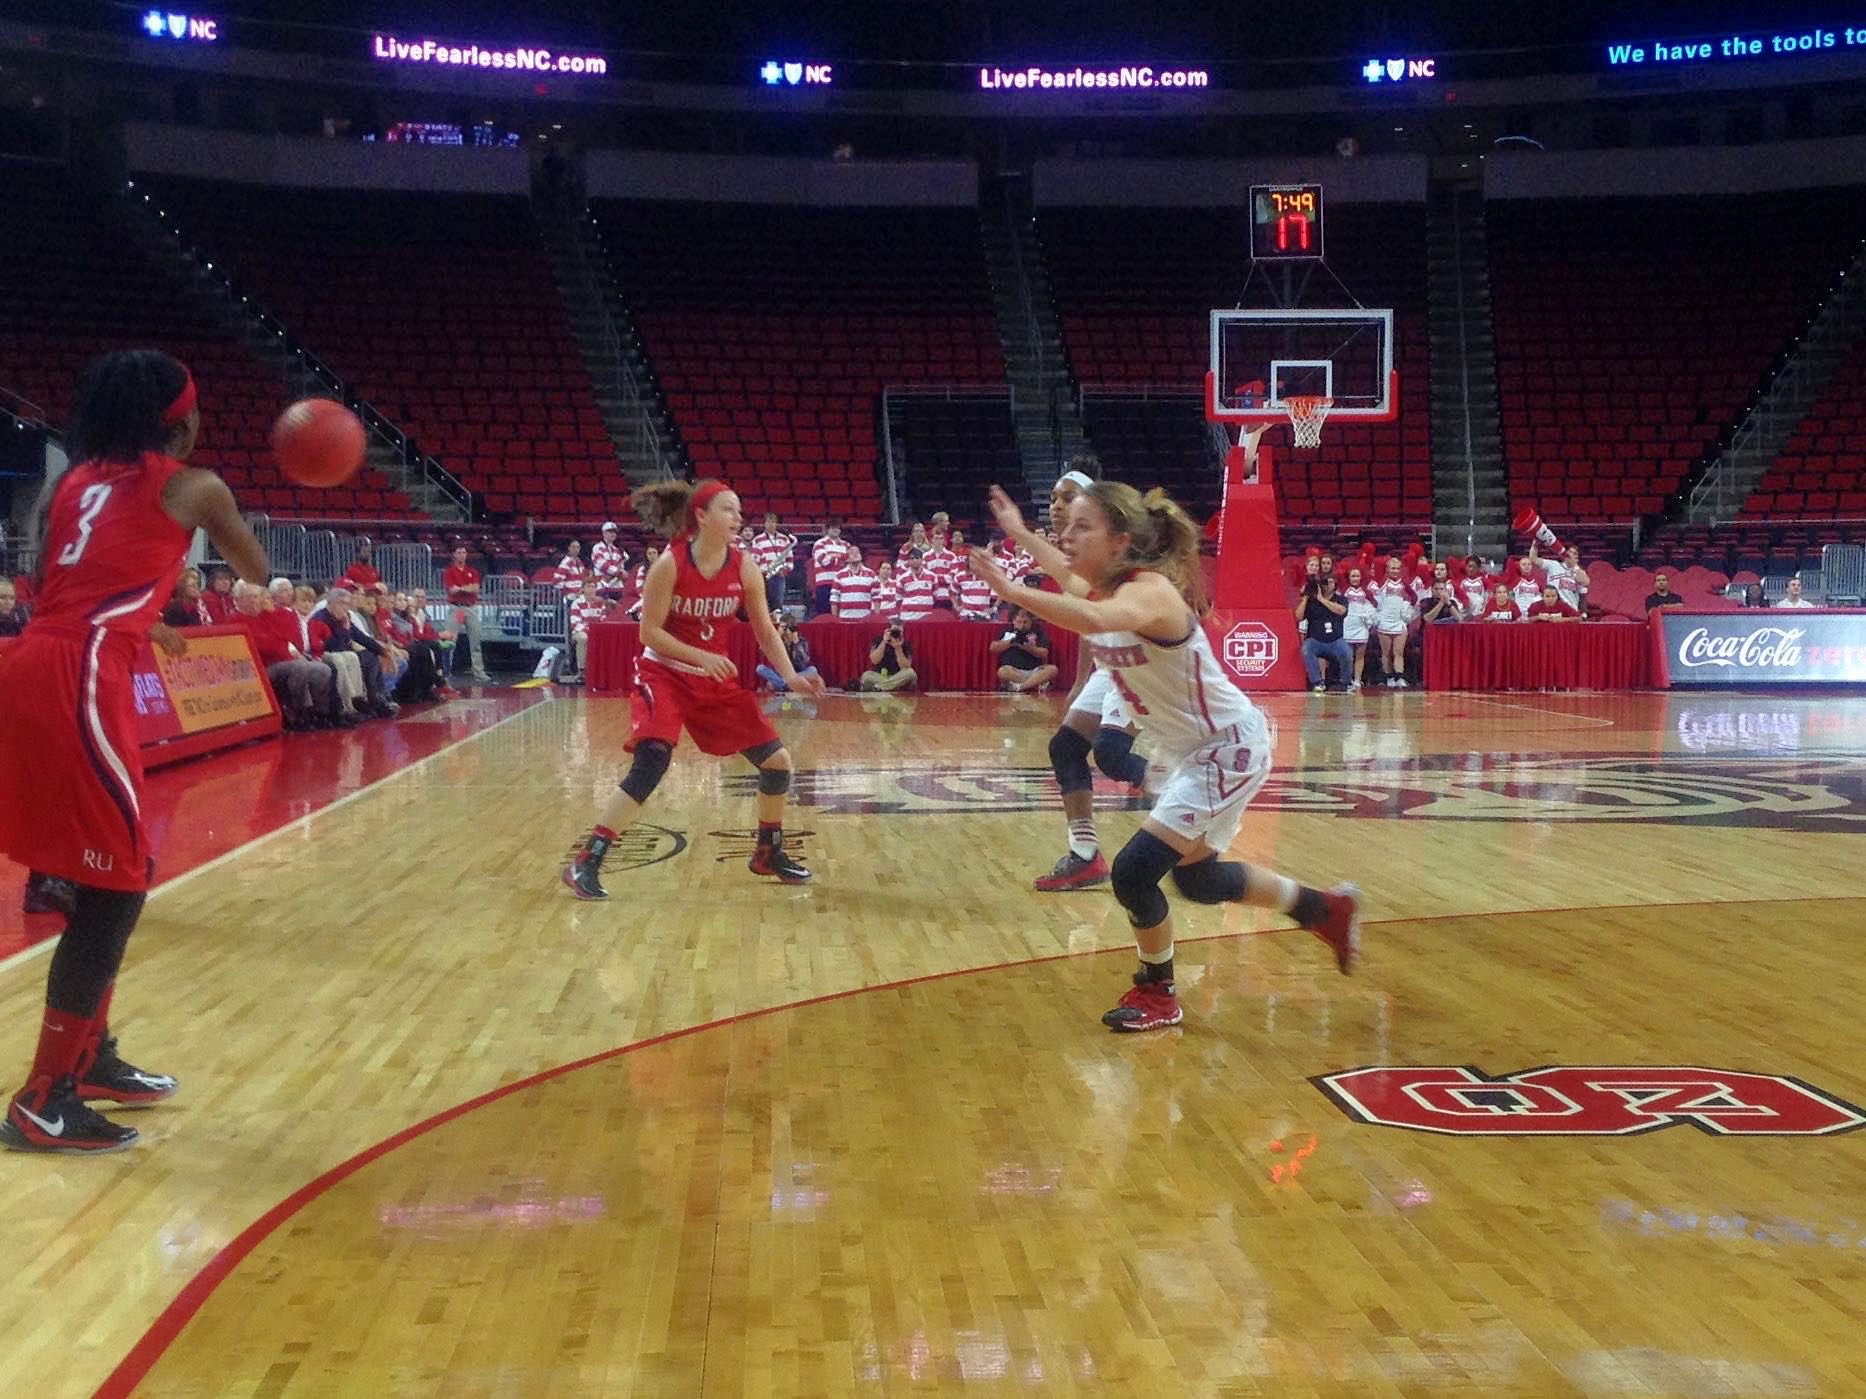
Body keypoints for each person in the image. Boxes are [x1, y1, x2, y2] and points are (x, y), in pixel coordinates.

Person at [967, 478, 1360, 1031]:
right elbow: (1064, 573)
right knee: (1198, 881)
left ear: (1121, 541)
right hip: (1195, 751)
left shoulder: (1149, 593)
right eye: (1066, 526)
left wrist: (1011, 590)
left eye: (1082, 527)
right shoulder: (1106, 586)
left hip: (1225, 749)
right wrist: (1018, 533)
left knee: (1133, 873)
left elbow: (1093, 619)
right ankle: (1324, 909)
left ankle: (1158, 992)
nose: (1066, 536)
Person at [0, 349, 269, 1153]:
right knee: (116, 887)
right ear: (182, 421)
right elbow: (254, 568)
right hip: (80, 678)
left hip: (36, 659)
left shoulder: (74, 481)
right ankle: (44, 1098)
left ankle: (90, 1060)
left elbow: (66, 585)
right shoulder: (196, 486)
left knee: (102, 875)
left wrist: (140, 618)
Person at [562, 479, 827, 899]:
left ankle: (768, 852)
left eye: (739, 510)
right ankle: (587, 861)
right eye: (728, 509)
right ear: (701, 516)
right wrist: (700, 656)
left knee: (777, 762)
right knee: (652, 760)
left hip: (711, 681)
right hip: (663, 673)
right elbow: (649, 633)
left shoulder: (744, 566)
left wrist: (791, 675)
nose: (738, 517)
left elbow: (764, 628)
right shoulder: (669, 564)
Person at [988, 469, 1153, 891]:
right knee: (1065, 748)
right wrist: (1081, 681)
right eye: (1055, 499)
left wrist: (1014, 581)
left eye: (1069, 498)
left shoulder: (1113, 554)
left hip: (1142, 665)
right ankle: (1085, 855)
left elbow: (1091, 611)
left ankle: (1188, 801)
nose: (1058, 506)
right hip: (1111, 663)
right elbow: (1087, 625)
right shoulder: (1077, 552)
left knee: (1111, 755)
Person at [233, 579, 333, 727]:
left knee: (323, 669)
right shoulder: (235, 619)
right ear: (238, 600)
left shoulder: (267, 616)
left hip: (282, 660)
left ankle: (320, 713)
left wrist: (272, 615)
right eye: (249, 597)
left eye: (256, 596)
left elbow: (288, 637)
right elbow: (264, 646)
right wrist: (281, 646)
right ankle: (298, 714)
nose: (254, 601)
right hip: (261, 666)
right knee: (299, 667)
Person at [443, 544, 491, 681]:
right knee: (450, 640)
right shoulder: (449, 571)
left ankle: (478, 671)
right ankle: (445, 671)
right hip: (457, 608)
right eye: (459, 552)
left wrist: (461, 588)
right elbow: (452, 590)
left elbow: (476, 588)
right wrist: (467, 588)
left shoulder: (472, 571)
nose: (461, 555)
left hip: (470, 608)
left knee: (475, 640)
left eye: (463, 552)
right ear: (454, 554)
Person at [1299, 570, 1351, 693]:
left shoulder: (1341, 599)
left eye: (1330, 582)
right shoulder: (1312, 601)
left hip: (1335, 640)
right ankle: (1317, 682)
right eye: (1325, 582)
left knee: (1347, 652)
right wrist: (1305, 598)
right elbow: (1298, 617)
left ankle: (1345, 683)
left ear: (1335, 585)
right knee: (1306, 648)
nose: (1327, 585)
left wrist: (1322, 599)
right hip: (1316, 640)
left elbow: (1341, 611)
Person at [992, 607, 1059, 692]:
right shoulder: (1007, 631)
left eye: (1025, 622)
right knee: (1002, 671)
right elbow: (993, 648)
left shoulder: (1039, 632)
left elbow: (1044, 653)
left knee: (1052, 669)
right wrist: (1012, 642)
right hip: (1013, 671)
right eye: (1019, 622)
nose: (1022, 625)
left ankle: (1021, 687)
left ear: (1031, 621)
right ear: (1013, 621)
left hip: (1035, 671)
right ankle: (1034, 685)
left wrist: (1029, 648)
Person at [1373, 557, 1414, 688]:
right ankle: (1389, 677)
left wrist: (1407, 606)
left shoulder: (1403, 583)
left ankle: (1399, 677)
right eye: (1393, 568)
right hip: (1384, 621)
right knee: (1386, 653)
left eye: (1397, 568)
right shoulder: (1382, 581)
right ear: (1387, 569)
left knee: (1398, 652)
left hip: (1399, 621)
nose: (1395, 571)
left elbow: (1414, 596)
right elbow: (1377, 563)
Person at [750, 512, 798, 613]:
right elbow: (754, 560)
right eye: (768, 522)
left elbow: (790, 558)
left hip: (779, 576)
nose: (771, 524)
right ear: (764, 524)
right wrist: (763, 571)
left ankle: (777, 621)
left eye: (773, 522)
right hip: (763, 576)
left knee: (778, 605)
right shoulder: (757, 540)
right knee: (763, 605)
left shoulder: (784, 538)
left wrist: (784, 570)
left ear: (776, 524)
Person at [563, 576, 608, 684]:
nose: (591, 589)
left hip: (596, 631)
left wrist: (595, 631)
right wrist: (590, 631)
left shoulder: (600, 603)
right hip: (579, 632)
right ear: (583, 589)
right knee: (583, 638)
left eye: (593, 587)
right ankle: (581, 671)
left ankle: (602, 672)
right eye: (588, 586)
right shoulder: (576, 603)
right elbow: (576, 624)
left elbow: (603, 620)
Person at [756, 617, 819, 693]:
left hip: (796, 673)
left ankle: (783, 684)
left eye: (786, 627)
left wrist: (796, 643)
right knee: (760, 668)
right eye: (782, 627)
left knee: (813, 670)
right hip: (781, 673)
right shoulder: (777, 641)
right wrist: (777, 636)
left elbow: (805, 661)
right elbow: (762, 651)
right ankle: (787, 685)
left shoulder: (801, 641)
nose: (784, 630)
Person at [1340, 565, 1376, 690]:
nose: (1355, 578)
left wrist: (1368, 616)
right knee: (1347, 655)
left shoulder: (1365, 591)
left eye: (1357, 576)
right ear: (1349, 578)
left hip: (1361, 625)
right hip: (1347, 624)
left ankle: (1357, 680)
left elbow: (1374, 604)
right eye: (1353, 576)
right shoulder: (1344, 590)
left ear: (1361, 577)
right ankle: (1347, 679)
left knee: (1360, 655)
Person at [861, 621, 917, 692]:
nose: (896, 634)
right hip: (881, 677)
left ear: (903, 633)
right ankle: (891, 687)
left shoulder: (907, 644)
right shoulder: (879, 640)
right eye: (894, 631)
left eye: (899, 632)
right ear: (888, 630)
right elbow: (874, 661)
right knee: (866, 675)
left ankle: (881, 687)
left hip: (899, 677)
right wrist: (884, 642)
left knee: (910, 672)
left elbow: (905, 667)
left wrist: (898, 648)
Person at [811, 524, 853, 616]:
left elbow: (851, 560)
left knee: (841, 613)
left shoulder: (846, 544)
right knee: (824, 614)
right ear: (827, 529)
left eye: (837, 528)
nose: (835, 530)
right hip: (825, 583)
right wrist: (842, 557)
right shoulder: (820, 543)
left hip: (843, 583)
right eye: (833, 527)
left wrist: (832, 556)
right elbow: (825, 561)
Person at [830, 548, 877, 620]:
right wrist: (835, 620)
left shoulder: (871, 574)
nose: (855, 554)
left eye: (857, 552)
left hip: (865, 620)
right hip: (845, 619)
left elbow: (877, 599)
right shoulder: (839, 575)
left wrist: (876, 619)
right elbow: (834, 599)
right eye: (852, 553)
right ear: (847, 559)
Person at [591, 522, 628, 602]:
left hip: (618, 587)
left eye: (615, 532)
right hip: (603, 587)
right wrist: (619, 572)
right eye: (610, 531)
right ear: (604, 533)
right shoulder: (597, 547)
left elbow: (621, 568)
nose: (613, 534)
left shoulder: (617, 550)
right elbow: (603, 566)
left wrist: (619, 572)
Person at [896, 554, 938, 621]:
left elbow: (935, 595)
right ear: (909, 561)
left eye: (917, 558)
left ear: (922, 560)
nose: (915, 560)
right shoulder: (902, 578)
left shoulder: (932, 576)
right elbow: (899, 599)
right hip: (907, 617)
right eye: (912, 558)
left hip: (926, 617)